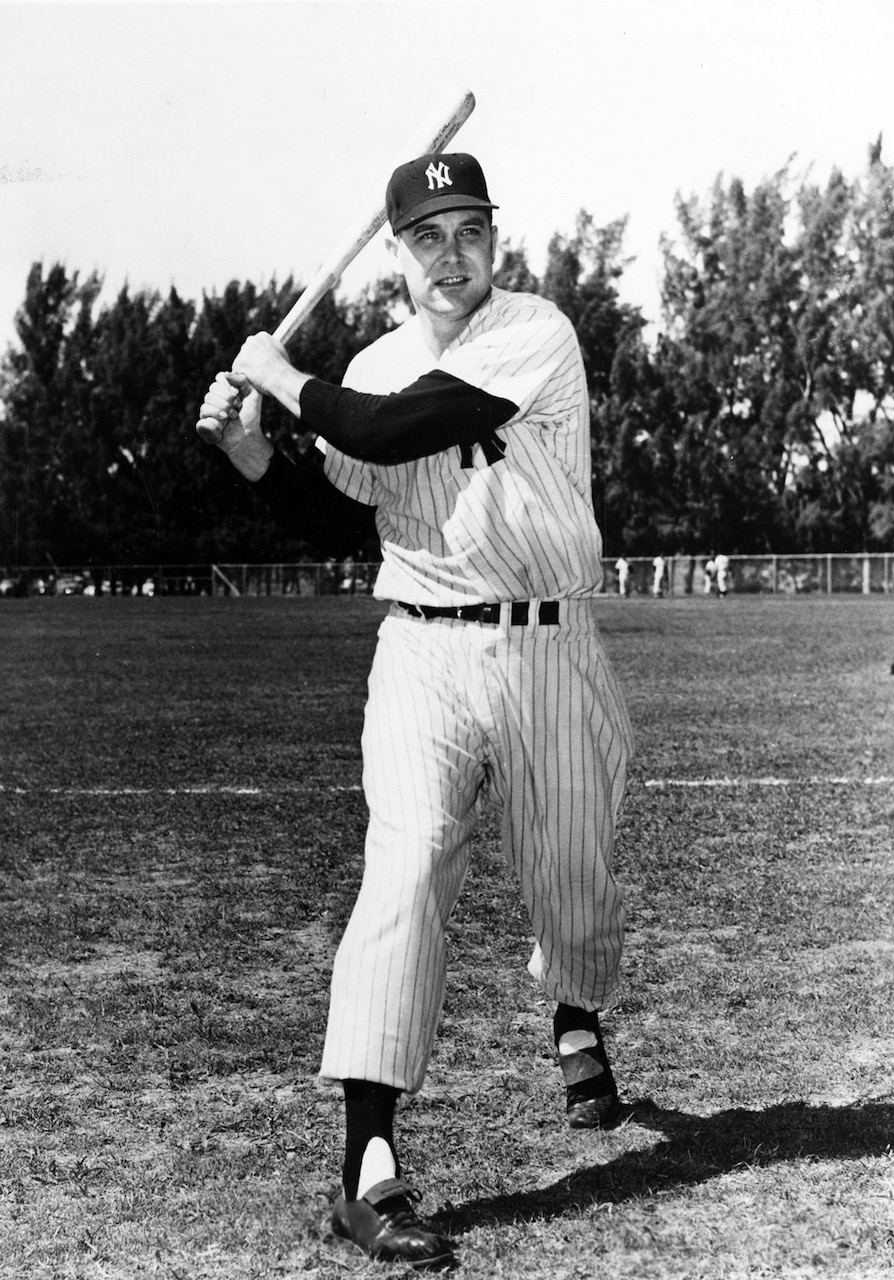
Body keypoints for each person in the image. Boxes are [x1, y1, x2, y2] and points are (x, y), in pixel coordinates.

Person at [196, 151, 634, 1270]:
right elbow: (349, 493)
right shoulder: (374, 359)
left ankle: (573, 1008)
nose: (451, 255)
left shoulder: (533, 333)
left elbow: (399, 430)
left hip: (547, 643)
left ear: (497, 239)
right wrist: (256, 454)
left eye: (468, 231)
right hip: (420, 654)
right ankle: (368, 1164)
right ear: (395, 256)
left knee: (569, 869)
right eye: (426, 237)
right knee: (407, 862)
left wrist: (280, 380)